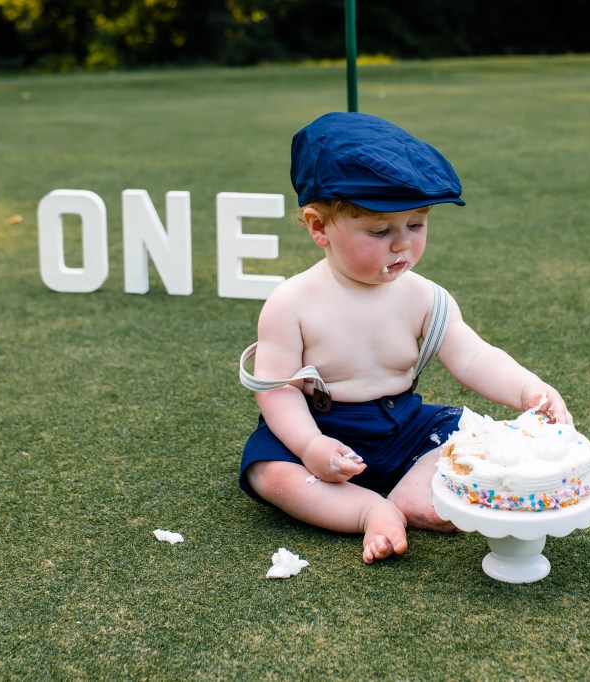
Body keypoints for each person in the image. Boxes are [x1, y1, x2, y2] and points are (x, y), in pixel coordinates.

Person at [238, 112, 572, 564]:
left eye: (416, 225)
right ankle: (367, 510)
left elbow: (473, 357)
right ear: (319, 228)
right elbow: (276, 390)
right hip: (321, 428)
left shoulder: (423, 296)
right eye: (380, 231)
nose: (402, 244)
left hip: (406, 427)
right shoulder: (291, 302)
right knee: (268, 473)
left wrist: (530, 390)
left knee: (467, 437)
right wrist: (309, 446)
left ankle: (411, 498)